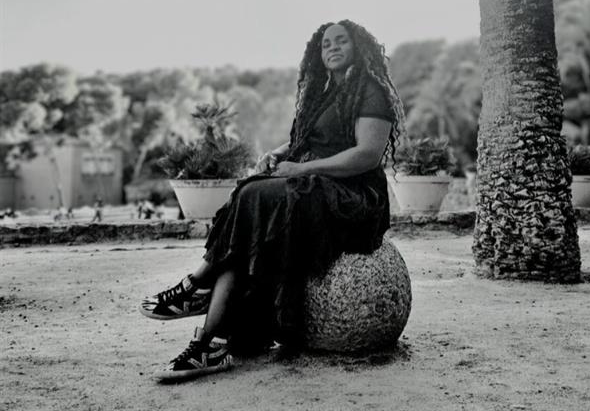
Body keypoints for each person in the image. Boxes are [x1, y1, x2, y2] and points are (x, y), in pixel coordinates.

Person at [139, 20, 405, 383]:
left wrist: (301, 168)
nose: (332, 47)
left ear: (358, 47)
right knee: (250, 205)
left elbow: (367, 155)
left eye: (341, 41)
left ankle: (197, 288)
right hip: (315, 186)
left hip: (352, 197)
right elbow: (307, 140)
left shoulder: (370, 91)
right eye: (326, 43)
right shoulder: (325, 92)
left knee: (254, 196)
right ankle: (209, 343)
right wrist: (279, 153)